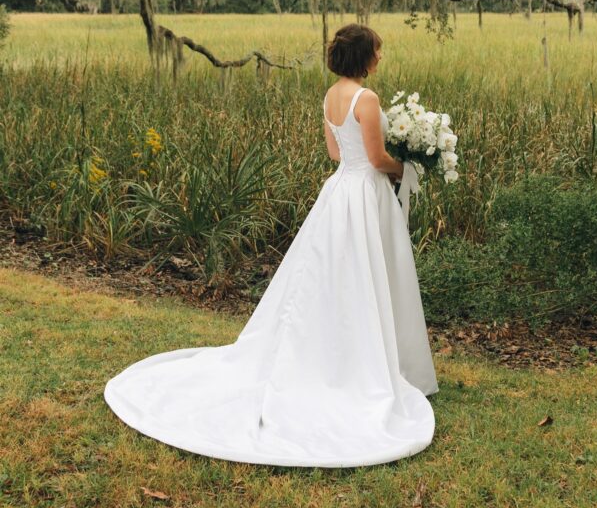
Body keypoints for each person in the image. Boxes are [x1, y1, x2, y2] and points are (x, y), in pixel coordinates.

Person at [104, 23, 438, 467]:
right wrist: (405, 168)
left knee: (337, 277)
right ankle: (360, 363)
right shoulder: (368, 99)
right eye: (377, 51)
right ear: (364, 57)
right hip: (365, 194)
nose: (381, 57)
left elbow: (337, 156)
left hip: (340, 192)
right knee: (366, 273)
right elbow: (375, 160)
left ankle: (340, 353)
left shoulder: (330, 97)